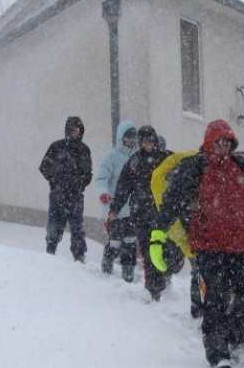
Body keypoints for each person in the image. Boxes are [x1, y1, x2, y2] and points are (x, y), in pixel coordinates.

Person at [149, 119, 244, 368]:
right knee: (215, 296)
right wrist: (158, 234)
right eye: (219, 142)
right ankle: (217, 353)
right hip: (209, 245)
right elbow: (171, 200)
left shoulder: (242, 167)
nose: (223, 147)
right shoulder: (195, 166)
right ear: (209, 142)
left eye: (227, 142)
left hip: (242, 244)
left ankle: (234, 340)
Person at [108, 125, 173, 300]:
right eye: (144, 141)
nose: (148, 144)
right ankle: (153, 288)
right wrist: (114, 208)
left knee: (164, 250)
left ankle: (164, 279)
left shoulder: (165, 158)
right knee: (148, 251)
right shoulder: (134, 161)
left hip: (163, 214)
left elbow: (182, 173)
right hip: (142, 214)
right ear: (140, 142)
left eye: (150, 140)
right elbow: (123, 187)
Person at [39, 116, 93, 262]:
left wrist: (80, 184)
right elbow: (44, 167)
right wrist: (56, 181)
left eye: (78, 130)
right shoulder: (56, 147)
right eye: (72, 130)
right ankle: (50, 252)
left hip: (76, 195)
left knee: (77, 227)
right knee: (54, 224)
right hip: (58, 194)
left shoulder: (84, 150)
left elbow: (88, 174)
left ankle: (79, 255)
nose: (75, 133)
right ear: (67, 130)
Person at [96, 121, 137, 282]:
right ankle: (107, 264)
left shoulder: (137, 157)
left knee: (130, 242)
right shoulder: (111, 157)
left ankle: (128, 273)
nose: (130, 141)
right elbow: (101, 178)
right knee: (115, 241)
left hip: (133, 209)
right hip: (116, 208)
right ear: (121, 138)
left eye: (133, 138)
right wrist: (104, 193)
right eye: (127, 137)